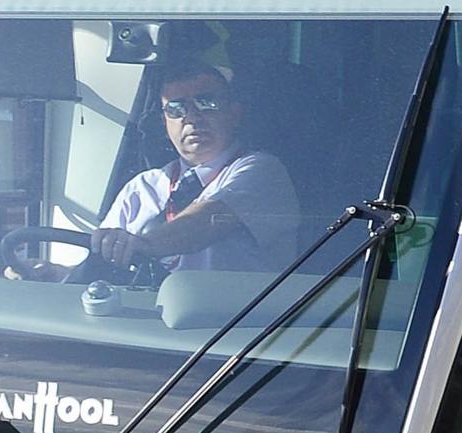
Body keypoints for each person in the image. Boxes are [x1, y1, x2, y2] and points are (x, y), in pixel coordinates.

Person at [75, 53, 300, 278]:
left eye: (206, 103)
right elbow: (106, 253)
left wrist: (143, 244)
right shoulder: (142, 187)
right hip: (141, 309)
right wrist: (60, 274)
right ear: (165, 123)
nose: (191, 118)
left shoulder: (262, 171)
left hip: (236, 311)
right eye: (176, 108)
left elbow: (203, 222)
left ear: (234, 114)